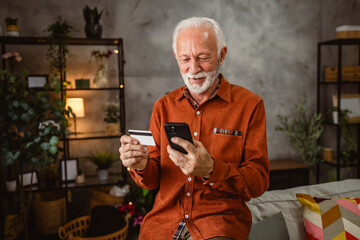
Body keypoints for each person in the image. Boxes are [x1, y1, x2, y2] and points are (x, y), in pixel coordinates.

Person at [119, 16, 269, 240]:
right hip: (162, 225)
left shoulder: (250, 105)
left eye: (203, 58)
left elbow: (259, 182)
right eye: (185, 59)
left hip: (219, 224)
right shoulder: (163, 106)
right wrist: (141, 166)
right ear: (176, 58)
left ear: (222, 55)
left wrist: (211, 169)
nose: (194, 68)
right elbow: (152, 181)